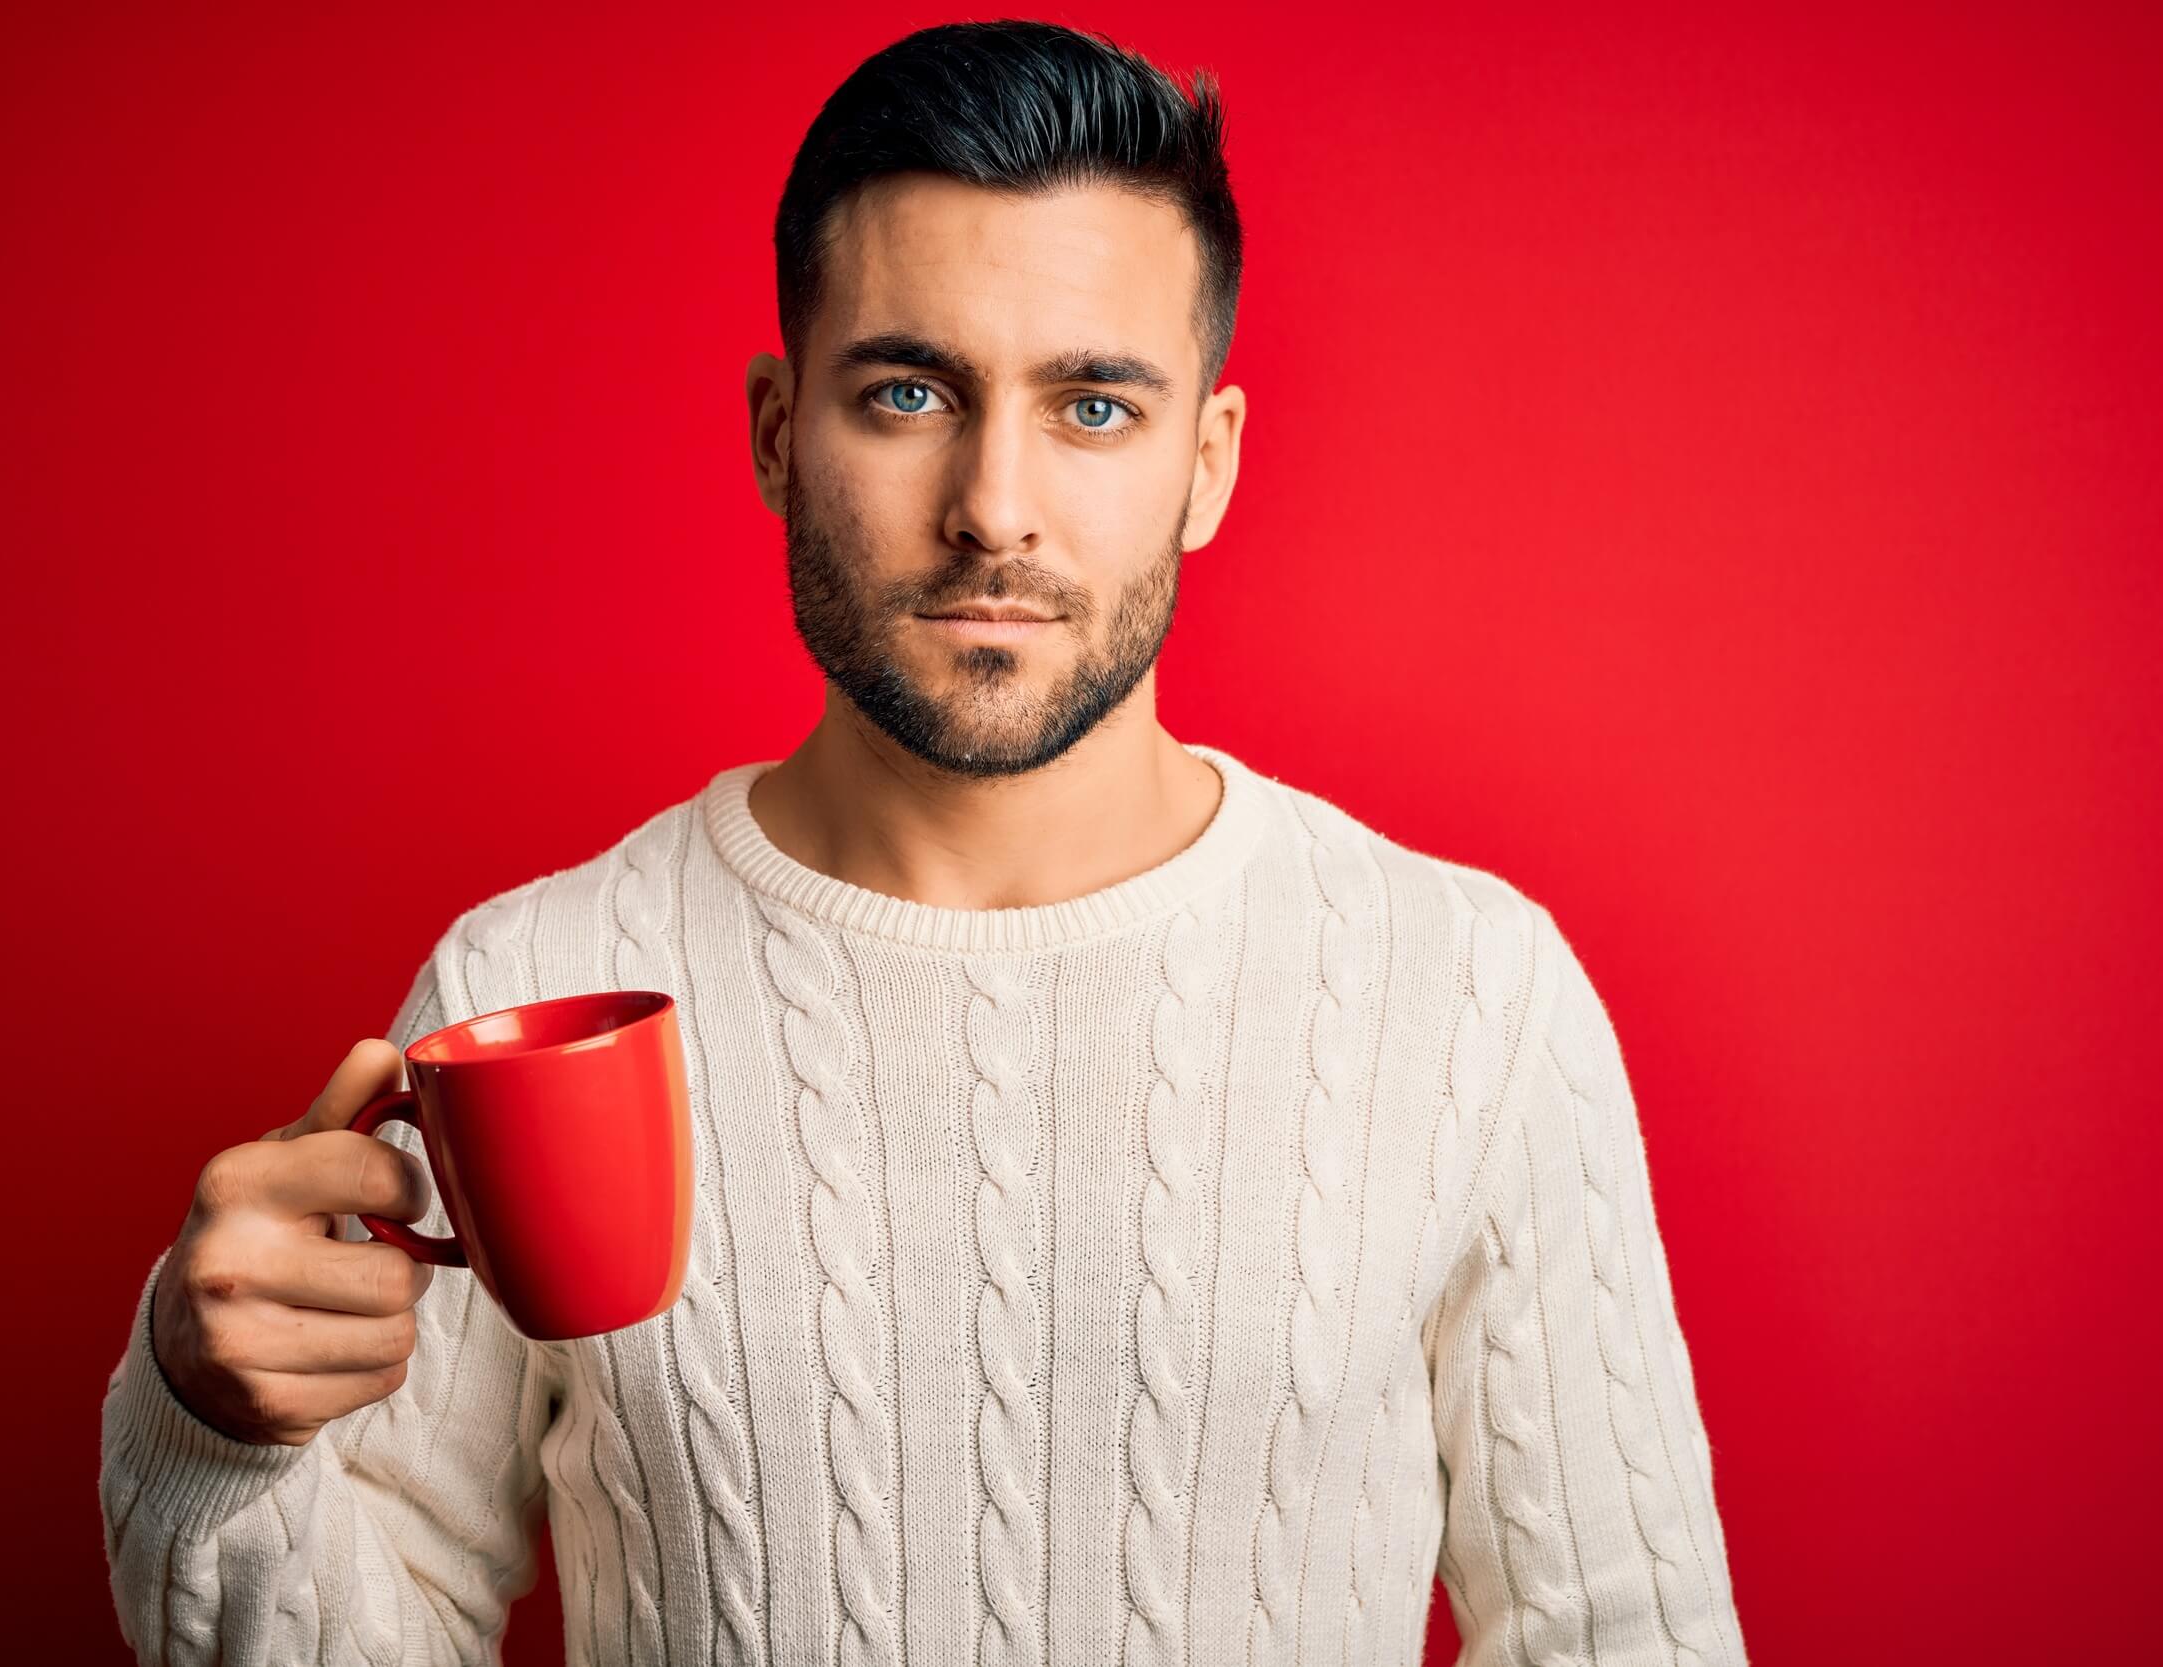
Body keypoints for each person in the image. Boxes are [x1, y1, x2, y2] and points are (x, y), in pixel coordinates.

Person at [98, 19, 1748, 1666]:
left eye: (1094, 406)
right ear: (773, 433)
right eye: (907, 392)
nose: (994, 505)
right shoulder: (533, 983)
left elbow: (1627, 1637)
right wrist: (203, 1428)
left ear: (1209, 464)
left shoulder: (1466, 994)